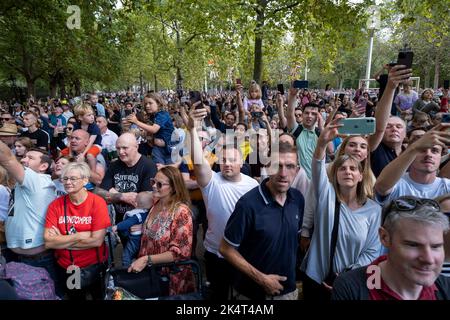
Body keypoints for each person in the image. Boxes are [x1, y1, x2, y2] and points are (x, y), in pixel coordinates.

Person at [301, 119, 382, 300]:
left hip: (351, 282)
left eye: (353, 169)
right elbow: (317, 166)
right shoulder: (326, 195)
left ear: (361, 176)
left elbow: (372, 251)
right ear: (334, 175)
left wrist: (348, 275)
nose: (348, 172)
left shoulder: (374, 210)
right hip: (316, 277)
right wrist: (322, 142)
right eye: (343, 168)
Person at [187, 105, 259, 300]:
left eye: (232, 160)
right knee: (217, 295)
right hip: (214, 252)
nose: (227, 163)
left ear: (242, 162)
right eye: (224, 159)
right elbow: (199, 161)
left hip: (243, 253)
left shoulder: (253, 186)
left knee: (242, 296)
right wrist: (192, 129)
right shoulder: (211, 181)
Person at [219, 142, 305, 300]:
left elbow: (293, 241)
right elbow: (226, 249)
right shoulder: (248, 204)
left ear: (297, 170)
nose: (283, 173)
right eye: (277, 165)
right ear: (267, 166)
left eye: (290, 166)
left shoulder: (298, 199)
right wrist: (261, 279)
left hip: (288, 292)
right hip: (252, 294)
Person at [332, 196, 450, 300]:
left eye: (436, 246)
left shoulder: (447, 287)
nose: (428, 259)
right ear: (384, 237)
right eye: (413, 245)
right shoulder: (350, 287)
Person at [44, 162, 111, 300]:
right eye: (65, 179)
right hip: (70, 268)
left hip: (94, 266)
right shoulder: (55, 205)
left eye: (73, 178)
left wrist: (61, 240)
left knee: (99, 297)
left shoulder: (97, 203)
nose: (68, 182)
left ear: (85, 180)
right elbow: (48, 243)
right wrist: (80, 235)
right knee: (76, 297)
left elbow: (97, 241)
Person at [127, 167, 195, 296]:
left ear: (174, 187)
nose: (153, 186)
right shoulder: (156, 203)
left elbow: (179, 254)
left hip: (170, 280)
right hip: (150, 274)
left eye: (159, 184)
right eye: (153, 181)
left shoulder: (181, 212)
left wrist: (146, 259)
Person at [1, 142, 57, 282]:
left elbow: (7, 158)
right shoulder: (28, 182)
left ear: (43, 167)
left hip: (36, 260)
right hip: (18, 256)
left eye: (30, 158)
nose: (24, 160)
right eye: (24, 157)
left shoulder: (37, 180)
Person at [375, 124, 450, 204]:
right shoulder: (396, 183)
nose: (428, 154)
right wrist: (415, 147)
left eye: (435, 151)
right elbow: (381, 187)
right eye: (422, 150)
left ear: (441, 156)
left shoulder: (447, 186)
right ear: (411, 153)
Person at [96, 132, 157, 226]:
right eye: (118, 148)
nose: (121, 152)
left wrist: (113, 193)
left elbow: (144, 200)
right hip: (116, 219)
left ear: (136, 147)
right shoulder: (114, 165)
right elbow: (101, 192)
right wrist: (122, 196)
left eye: (125, 148)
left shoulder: (149, 166)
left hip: (137, 222)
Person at [125, 93, 175, 165]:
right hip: (157, 150)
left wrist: (136, 122)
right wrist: (128, 126)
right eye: (146, 104)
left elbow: (154, 129)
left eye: (150, 103)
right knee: (158, 172)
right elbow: (146, 133)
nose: (147, 106)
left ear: (158, 103)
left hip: (169, 150)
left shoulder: (162, 114)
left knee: (169, 172)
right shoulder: (152, 116)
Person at [112, 192, 152, 267]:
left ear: (136, 204)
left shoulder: (136, 215)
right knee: (136, 253)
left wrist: (116, 227)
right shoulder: (146, 213)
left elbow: (128, 223)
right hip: (141, 238)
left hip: (134, 239)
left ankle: (126, 268)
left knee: (127, 254)